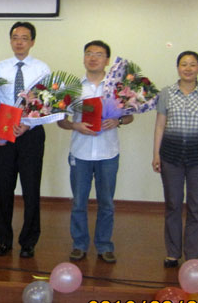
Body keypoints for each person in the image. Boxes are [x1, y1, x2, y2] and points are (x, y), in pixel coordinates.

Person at [57, 40, 133, 263]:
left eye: (99, 54)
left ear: (107, 60)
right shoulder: (73, 88)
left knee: (106, 203)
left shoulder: (117, 88)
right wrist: (75, 125)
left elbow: (130, 116)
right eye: (89, 53)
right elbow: (60, 120)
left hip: (108, 153)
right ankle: (79, 244)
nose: (93, 58)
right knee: (78, 202)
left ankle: (104, 245)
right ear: (83, 58)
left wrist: (117, 121)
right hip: (80, 153)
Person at [0, 22, 50, 258]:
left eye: (24, 38)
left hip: (31, 134)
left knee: (31, 189)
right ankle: (3, 240)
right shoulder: (0, 68)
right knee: (4, 188)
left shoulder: (42, 69)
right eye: (15, 37)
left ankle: (29, 241)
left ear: (32, 41)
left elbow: (46, 105)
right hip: (4, 133)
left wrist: (28, 124)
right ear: (10, 40)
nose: (19, 42)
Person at [153, 51, 198, 268]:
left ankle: (192, 255)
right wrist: (156, 154)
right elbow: (160, 125)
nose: (188, 68)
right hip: (170, 157)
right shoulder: (166, 93)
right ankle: (173, 253)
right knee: (173, 204)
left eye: (192, 64)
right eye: (184, 64)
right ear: (177, 67)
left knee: (196, 207)